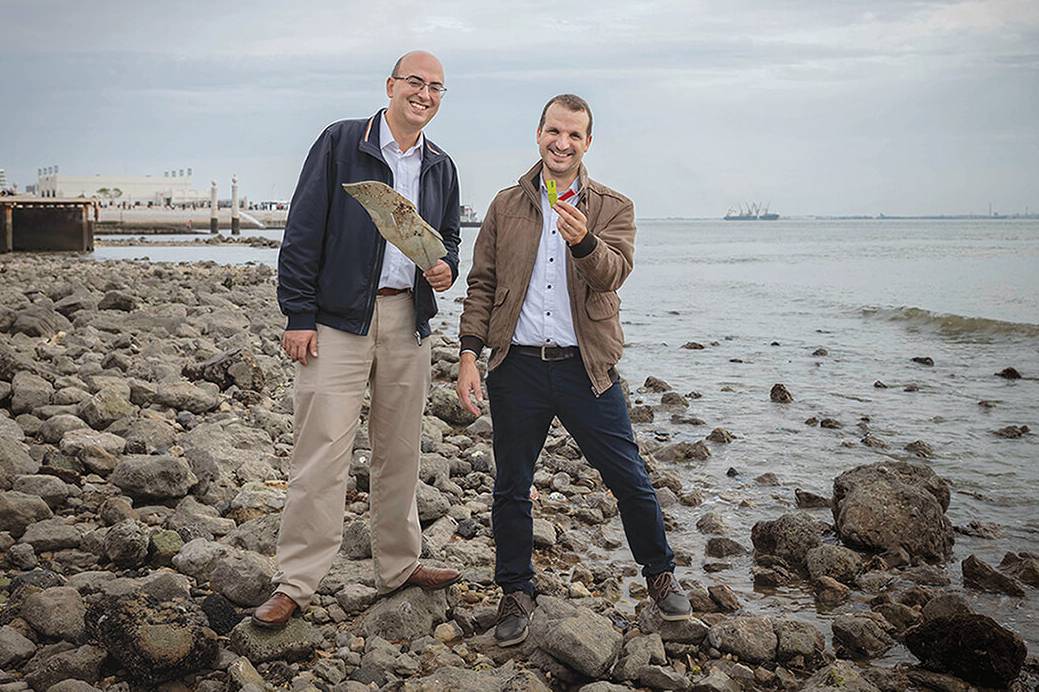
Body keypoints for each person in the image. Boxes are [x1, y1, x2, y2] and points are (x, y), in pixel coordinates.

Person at [456, 94, 692, 646]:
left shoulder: (614, 207)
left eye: (574, 135)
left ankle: (660, 576)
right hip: (517, 367)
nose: (562, 144)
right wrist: (469, 354)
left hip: (586, 368)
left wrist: (584, 240)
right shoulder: (505, 205)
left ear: (588, 143)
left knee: (629, 477)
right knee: (511, 486)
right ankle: (516, 591)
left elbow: (614, 274)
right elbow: (482, 284)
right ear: (539, 134)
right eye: (554, 132)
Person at [254, 51, 463, 628]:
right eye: (415, 82)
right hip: (336, 322)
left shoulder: (440, 165)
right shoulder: (341, 142)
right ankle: (296, 582)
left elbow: (447, 238)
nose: (424, 94)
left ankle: (399, 564)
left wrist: (445, 267)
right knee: (321, 451)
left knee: (401, 449)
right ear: (391, 85)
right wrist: (298, 314)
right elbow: (303, 228)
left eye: (436, 87)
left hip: (407, 321)